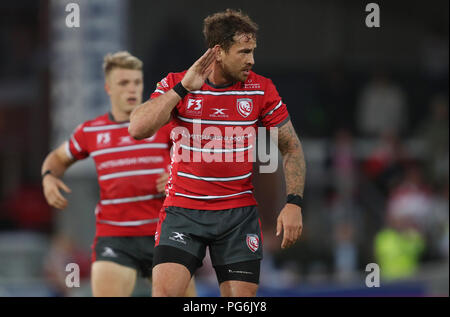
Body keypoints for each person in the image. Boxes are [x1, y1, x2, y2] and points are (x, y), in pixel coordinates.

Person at [129, 9, 306, 297]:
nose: (252, 60)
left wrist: (294, 202)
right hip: (184, 212)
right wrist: (183, 88)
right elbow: (137, 128)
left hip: (237, 216)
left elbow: (291, 148)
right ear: (219, 52)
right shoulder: (178, 82)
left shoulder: (261, 89)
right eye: (244, 52)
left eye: (253, 51)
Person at [41, 51, 196, 297]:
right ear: (109, 88)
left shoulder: (165, 124)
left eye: (136, 82)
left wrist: (179, 177)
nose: (131, 89)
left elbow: (203, 164)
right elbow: (58, 157)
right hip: (115, 236)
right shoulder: (91, 131)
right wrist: (49, 176)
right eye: (124, 83)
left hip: (163, 234)